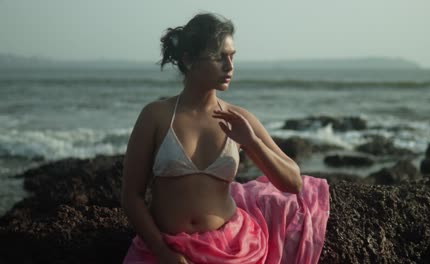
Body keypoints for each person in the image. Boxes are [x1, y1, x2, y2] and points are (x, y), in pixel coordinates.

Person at [121, 13, 330, 264]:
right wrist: (162, 251)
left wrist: (251, 142)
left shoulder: (240, 119)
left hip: (232, 250)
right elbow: (131, 196)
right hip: (164, 249)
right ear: (188, 60)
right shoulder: (155, 115)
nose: (229, 66)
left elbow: (293, 182)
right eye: (219, 57)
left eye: (232, 56)